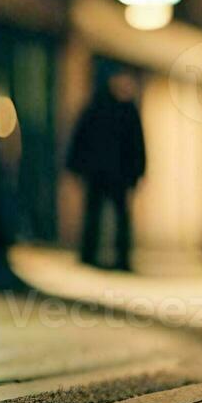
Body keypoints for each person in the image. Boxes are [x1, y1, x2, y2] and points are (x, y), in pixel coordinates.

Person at [68, 71, 146, 271]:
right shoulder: (105, 109)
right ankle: (94, 255)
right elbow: (82, 138)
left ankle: (114, 257)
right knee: (98, 215)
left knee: (114, 216)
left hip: (112, 174)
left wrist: (138, 170)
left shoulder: (112, 110)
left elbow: (137, 145)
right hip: (103, 173)